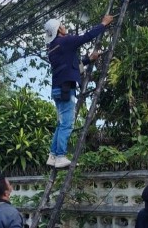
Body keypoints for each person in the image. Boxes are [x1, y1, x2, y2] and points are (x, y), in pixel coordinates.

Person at [44, 14, 113, 169]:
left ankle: (53, 155)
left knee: (61, 123)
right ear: (58, 30)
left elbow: (71, 65)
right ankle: (60, 156)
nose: (64, 26)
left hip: (57, 89)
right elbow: (86, 36)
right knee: (67, 124)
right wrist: (103, 24)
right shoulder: (65, 41)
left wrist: (89, 59)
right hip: (66, 88)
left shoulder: (52, 48)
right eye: (62, 25)